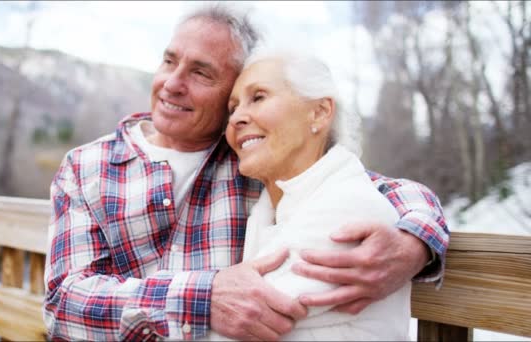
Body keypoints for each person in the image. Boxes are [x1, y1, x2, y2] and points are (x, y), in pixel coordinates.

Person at [43, 3, 449, 341]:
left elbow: (371, 188)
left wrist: (415, 240)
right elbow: (63, 301)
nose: (172, 83)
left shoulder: (252, 158)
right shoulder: (88, 167)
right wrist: (202, 298)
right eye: (169, 61)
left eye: (201, 73)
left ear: (229, 96)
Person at [208, 47, 411, 341]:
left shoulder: (348, 208)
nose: (237, 118)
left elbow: (235, 328)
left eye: (258, 97)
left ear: (319, 112)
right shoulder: (268, 212)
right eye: (232, 108)